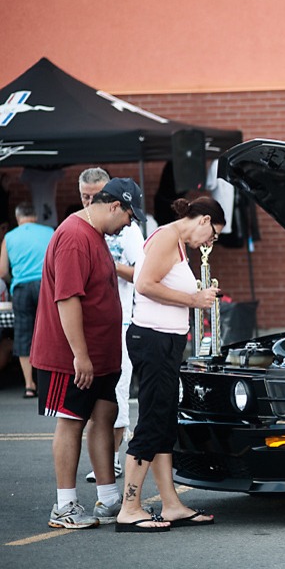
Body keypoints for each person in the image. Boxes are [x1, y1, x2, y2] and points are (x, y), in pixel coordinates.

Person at [30, 178, 144, 529]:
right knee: (72, 421)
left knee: (105, 414)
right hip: (73, 356)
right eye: (128, 216)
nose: (128, 224)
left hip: (99, 353)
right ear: (113, 206)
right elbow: (67, 298)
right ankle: (64, 505)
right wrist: (80, 354)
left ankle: (109, 499)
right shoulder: (75, 237)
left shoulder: (93, 234)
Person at [115, 196, 223, 532]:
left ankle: (171, 504)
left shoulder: (176, 242)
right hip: (153, 340)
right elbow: (145, 284)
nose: (210, 243)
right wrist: (194, 299)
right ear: (203, 220)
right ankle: (130, 507)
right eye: (213, 235)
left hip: (164, 342)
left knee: (163, 422)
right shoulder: (166, 237)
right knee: (152, 421)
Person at [78, 168, 145, 483]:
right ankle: (107, 458)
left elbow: (142, 273)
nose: (90, 201)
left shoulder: (127, 228)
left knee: (117, 392)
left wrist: (108, 263)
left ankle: (113, 460)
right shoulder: (80, 228)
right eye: (84, 196)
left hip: (123, 320)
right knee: (92, 399)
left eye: (95, 196)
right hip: (91, 322)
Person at [0, 202, 55, 398]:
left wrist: (14, 279)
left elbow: (2, 271)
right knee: (49, 332)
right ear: (35, 217)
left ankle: (29, 385)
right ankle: (47, 384)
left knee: (23, 334)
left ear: (18, 217)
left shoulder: (9, 237)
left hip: (21, 288)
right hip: (46, 286)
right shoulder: (49, 231)